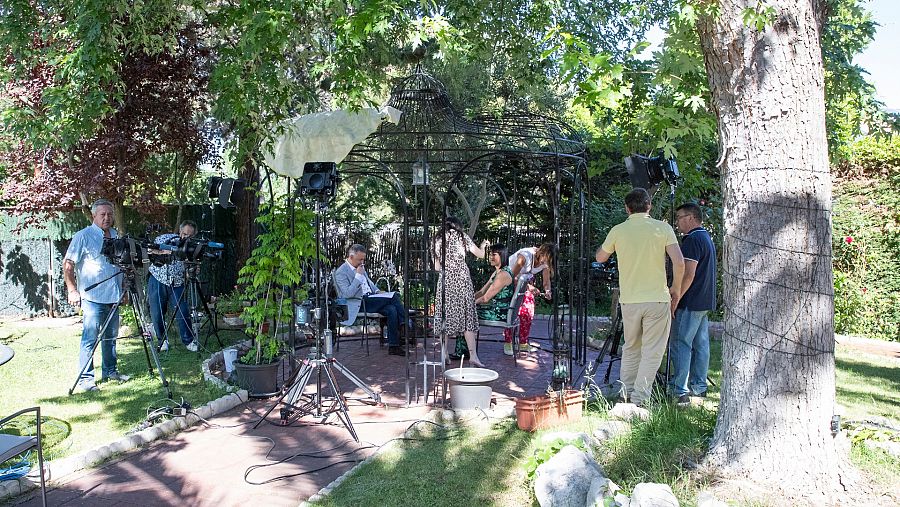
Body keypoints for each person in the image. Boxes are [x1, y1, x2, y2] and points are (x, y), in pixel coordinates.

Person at [595, 188, 684, 406]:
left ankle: (625, 394)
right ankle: (640, 399)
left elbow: (600, 257)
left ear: (627, 208)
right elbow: (679, 262)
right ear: (649, 206)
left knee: (631, 347)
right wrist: (676, 289)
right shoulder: (663, 228)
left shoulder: (618, 230)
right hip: (657, 298)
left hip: (630, 299)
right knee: (652, 351)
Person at [64, 199, 130, 392]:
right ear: (94, 216)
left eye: (110, 214)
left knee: (110, 337)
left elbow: (122, 265)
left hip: (114, 296)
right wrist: (72, 290)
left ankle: (110, 371)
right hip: (92, 298)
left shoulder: (117, 236)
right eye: (103, 214)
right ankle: (86, 379)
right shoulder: (83, 236)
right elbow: (68, 264)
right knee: (90, 339)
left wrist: (124, 289)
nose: (107, 218)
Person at [668, 203, 717, 403]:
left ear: (691, 218)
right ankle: (699, 386)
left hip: (689, 301)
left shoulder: (692, 239)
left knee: (681, 343)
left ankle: (679, 390)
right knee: (701, 344)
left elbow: (688, 274)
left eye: (679, 217)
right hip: (704, 300)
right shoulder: (706, 237)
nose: (677, 222)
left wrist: (676, 297)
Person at [432, 216, 489, 367]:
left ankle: (444, 354)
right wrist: (483, 246)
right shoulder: (462, 237)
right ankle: (473, 356)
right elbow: (480, 254)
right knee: (467, 317)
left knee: (444, 316)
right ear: (458, 225)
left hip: (445, 281)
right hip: (462, 280)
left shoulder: (437, 240)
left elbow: (437, 267)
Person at [334, 244, 409, 356]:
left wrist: (378, 291)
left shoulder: (360, 267)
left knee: (392, 309)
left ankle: (394, 346)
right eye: (360, 259)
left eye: (363, 259)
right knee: (394, 297)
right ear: (351, 257)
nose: (362, 262)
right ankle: (406, 323)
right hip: (359, 302)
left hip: (371, 298)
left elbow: (370, 284)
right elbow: (347, 294)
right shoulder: (341, 272)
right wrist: (358, 277)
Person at [148, 220, 200, 353]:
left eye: (189, 235)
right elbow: (150, 250)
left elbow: (194, 269)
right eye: (184, 233)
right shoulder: (165, 238)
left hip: (177, 283)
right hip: (158, 279)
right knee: (157, 312)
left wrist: (193, 267)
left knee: (183, 310)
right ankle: (162, 340)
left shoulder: (192, 247)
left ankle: (188, 340)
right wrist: (165, 252)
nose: (185, 237)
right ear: (180, 231)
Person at [506, 242, 555, 355]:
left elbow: (546, 281)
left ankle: (523, 342)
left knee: (528, 311)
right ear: (541, 252)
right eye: (545, 258)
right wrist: (529, 287)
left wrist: (548, 291)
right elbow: (512, 275)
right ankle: (508, 342)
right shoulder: (525, 256)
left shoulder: (546, 262)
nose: (545, 262)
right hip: (509, 280)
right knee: (512, 311)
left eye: (549, 261)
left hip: (525, 282)